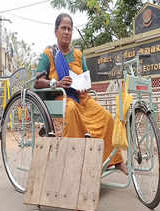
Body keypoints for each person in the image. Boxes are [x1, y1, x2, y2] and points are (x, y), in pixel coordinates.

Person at [34, 13, 127, 175]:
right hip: (61, 98)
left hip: (82, 98)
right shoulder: (48, 54)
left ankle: (115, 160)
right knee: (71, 111)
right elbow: (37, 82)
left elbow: (85, 77)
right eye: (63, 28)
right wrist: (56, 83)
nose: (66, 32)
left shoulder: (78, 54)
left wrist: (84, 86)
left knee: (106, 116)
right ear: (56, 31)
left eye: (69, 29)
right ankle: (75, 164)